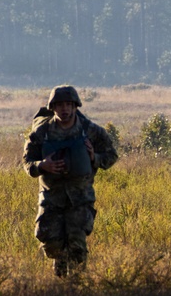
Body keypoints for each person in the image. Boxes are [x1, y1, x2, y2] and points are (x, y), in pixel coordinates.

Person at [23, 85, 118, 278]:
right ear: (52, 107)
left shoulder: (90, 130)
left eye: (68, 104)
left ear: (75, 106)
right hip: (51, 198)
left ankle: (75, 287)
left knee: (77, 246)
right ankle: (61, 271)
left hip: (80, 198)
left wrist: (94, 158)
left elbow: (111, 155)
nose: (64, 109)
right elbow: (27, 163)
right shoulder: (42, 132)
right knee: (51, 244)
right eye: (60, 105)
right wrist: (42, 165)